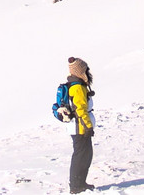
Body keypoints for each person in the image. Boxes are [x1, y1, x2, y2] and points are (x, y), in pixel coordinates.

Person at [64, 56, 96, 193]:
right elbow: (80, 109)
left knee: (85, 154)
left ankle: (80, 182)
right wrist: (88, 126)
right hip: (80, 127)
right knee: (81, 155)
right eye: (85, 69)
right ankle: (76, 185)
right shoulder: (77, 88)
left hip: (78, 126)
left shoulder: (76, 85)